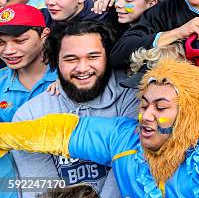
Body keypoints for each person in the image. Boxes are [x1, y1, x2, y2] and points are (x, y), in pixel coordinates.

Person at [0, 58, 199, 198]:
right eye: (144, 104)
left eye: (161, 107)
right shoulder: (123, 137)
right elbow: (61, 131)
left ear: (191, 115)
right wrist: (5, 136)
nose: (146, 116)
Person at [12, 21, 138, 197]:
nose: (82, 68)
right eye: (71, 59)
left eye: (93, 57)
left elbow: (128, 172)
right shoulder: (30, 114)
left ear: (108, 57)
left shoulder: (133, 99)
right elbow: (39, 188)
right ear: (56, 61)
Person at [0, 4, 56, 196]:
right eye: (1, 43)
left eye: (20, 40)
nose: (9, 50)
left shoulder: (69, 78)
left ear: (44, 34)